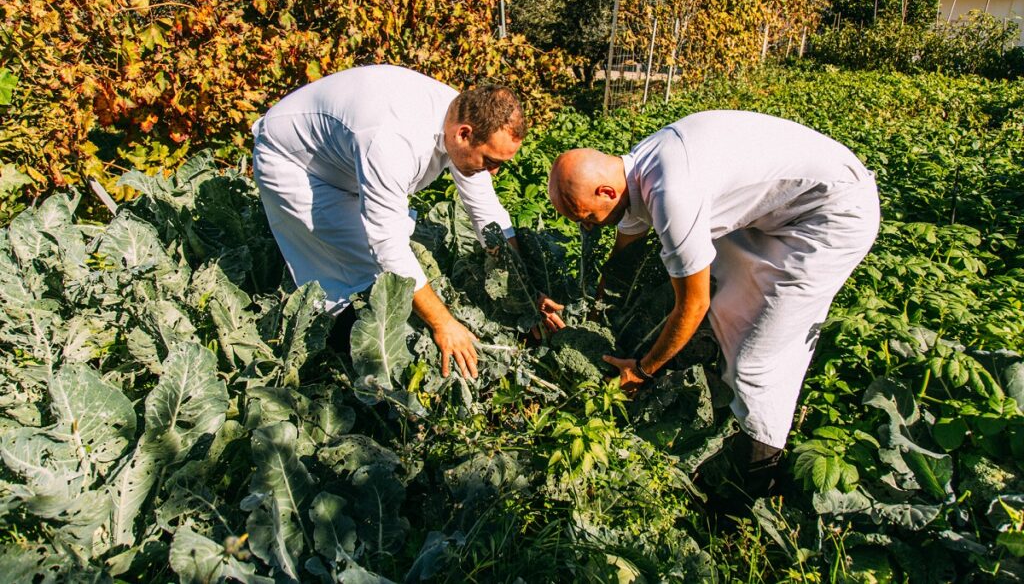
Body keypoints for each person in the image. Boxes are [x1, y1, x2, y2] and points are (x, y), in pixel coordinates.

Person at [547, 110, 880, 495]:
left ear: (606, 193)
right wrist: (591, 313)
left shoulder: (670, 193)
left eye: (585, 217)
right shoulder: (636, 170)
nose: (586, 227)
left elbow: (693, 304)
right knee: (728, 312)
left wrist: (642, 370)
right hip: (780, 210)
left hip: (830, 213)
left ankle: (747, 484)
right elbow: (624, 254)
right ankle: (724, 414)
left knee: (756, 361)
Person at [252, 64, 563, 379]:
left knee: (389, 268)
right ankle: (342, 362)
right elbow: (385, 242)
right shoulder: (393, 139)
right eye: (492, 161)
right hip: (298, 165)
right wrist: (444, 324)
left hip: (348, 159)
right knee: (361, 270)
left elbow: (485, 210)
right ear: (464, 134)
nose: (494, 172)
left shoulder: (462, 118)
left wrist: (524, 288)